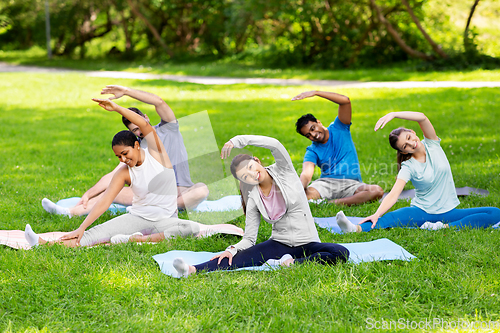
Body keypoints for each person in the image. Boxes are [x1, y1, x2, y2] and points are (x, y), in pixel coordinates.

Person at [25, 98, 242, 247]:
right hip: (137, 218)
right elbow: (105, 201)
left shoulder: (158, 154)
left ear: (137, 145)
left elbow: (143, 124)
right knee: (93, 235)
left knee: (189, 228)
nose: (123, 159)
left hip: (166, 219)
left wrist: (117, 107)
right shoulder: (123, 171)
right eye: (118, 156)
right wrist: (81, 227)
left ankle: (135, 240)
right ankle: (43, 242)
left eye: (125, 153)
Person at [172, 135, 350, 277]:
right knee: (238, 258)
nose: (252, 174)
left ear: (256, 160)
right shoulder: (254, 198)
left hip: (308, 243)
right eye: (245, 176)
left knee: (340, 252)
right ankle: (191, 270)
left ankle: (291, 263)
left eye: (250, 167)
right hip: (280, 243)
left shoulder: (284, 170)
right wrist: (231, 250)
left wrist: (238, 140)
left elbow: (274, 144)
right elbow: (249, 238)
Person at [41, 85, 209, 217]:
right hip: (154, 196)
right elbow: (115, 174)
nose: (139, 132)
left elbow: (159, 102)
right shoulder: (138, 148)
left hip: (182, 191)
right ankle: (68, 212)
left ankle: (166, 208)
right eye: (134, 131)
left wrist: (126, 91)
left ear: (145, 118)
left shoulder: (168, 129)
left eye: (139, 126)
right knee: (115, 191)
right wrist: (88, 194)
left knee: (202, 190)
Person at [336, 111, 500, 233]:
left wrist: (394, 114)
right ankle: (355, 229)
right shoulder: (409, 166)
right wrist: (377, 213)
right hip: (421, 211)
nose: (410, 144)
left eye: (408, 138)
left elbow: (422, 117)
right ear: (404, 151)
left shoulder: (432, 143)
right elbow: (393, 194)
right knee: (389, 218)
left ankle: (443, 227)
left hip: (449, 211)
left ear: (412, 132)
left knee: (495, 213)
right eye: (404, 146)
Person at [292, 90, 383, 206]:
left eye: (313, 128)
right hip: (326, 184)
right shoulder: (312, 150)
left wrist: (316, 93)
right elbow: (306, 174)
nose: (313, 135)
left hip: (352, 184)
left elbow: (345, 101)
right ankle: (329, 201)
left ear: (318, 122)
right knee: (302, 196)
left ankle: (331, 204)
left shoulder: (339, 127)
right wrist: (299, 190)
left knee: (377, 191)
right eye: (308, 135)